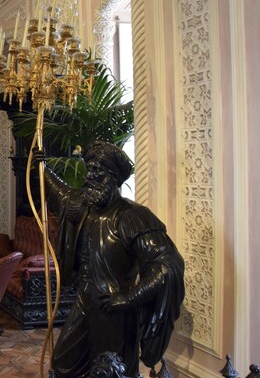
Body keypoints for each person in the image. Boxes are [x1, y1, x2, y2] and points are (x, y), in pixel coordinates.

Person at [43, 141, 185, 378]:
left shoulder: (132, 216)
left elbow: (166, 263)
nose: (91, 176)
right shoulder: (82, 206)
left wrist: (129, 298)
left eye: (99, 171)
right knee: (63, 363)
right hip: (84, 297)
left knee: (111, 369)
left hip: (114, 308)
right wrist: (41, 166)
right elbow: (57, 191)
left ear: (115, 178)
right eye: (89, 169)